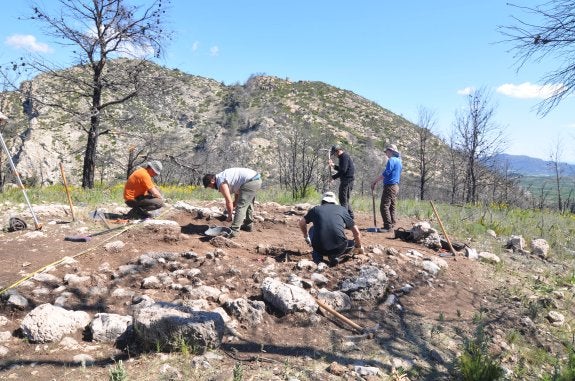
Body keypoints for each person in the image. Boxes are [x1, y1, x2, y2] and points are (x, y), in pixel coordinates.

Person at [298, 191, 363, 266]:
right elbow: (357, 233)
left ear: (322, 201)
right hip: (339, 248)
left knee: (313, 229)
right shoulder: (342, 210)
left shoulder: (315, 209)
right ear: (334, 201)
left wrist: (306, 237)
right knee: (352, 242)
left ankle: (318, 259)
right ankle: (334, 256)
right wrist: (359, 247)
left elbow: (301, 223)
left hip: (320, 248)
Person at [202, 167, 262, 237]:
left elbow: (229, 201)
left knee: (241, 206)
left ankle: (234, 230)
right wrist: (235, 202)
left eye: (210, 186)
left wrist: (230, 216)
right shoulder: (221, 177)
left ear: (212, 181)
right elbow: (238, 189)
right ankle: (248, 225)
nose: (212, 188)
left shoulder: (221, 181)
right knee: (247, 203)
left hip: (250, 182)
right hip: (255, 180)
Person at [371, 144, 402, 232]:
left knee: (384, 206)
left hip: (390, 186)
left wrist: (375, 181)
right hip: (395, 186)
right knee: (392, 206)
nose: (386, 153)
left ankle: (387, 226)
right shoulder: (399, 161)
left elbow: (386, 173)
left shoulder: (391, 160)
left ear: (391, 151)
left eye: (387, 151)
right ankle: (391, 224)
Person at [329, 144, 355, 219]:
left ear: (338, 151)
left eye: (334, 153)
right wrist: (333, 166)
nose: (334, 155)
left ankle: (345, 219)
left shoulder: (344, 157)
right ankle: (350, 216)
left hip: (347, 181)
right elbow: (342, 169)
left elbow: (343, 170)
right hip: (347, 180)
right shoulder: (343, 157)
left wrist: (333, 177)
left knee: (343, 200)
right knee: (345, 199)